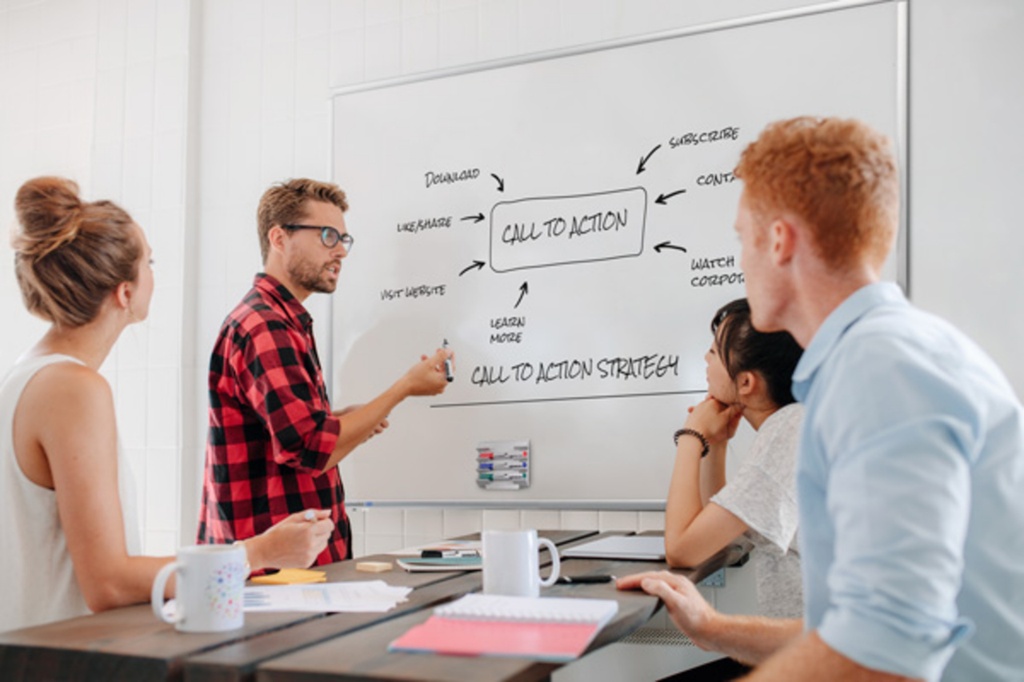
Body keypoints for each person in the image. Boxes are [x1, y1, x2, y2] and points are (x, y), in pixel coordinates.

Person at [620, 117, 1024, 680]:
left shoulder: (879, 373)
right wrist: (714, 628)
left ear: (779, 241)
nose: (740, 260)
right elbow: (854, 629)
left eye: (742, 238)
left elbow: (887, 650)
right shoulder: (875, 362)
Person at [0, 177, 333, 633]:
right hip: (66, 657)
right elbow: (108, 584)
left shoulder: (27, 374)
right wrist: (262, 551)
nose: (155, 274)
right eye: (149, 262)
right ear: (124, 292)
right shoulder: (73, 388)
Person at [196, 178, 453, 565]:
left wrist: (338, 420)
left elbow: (292, 438)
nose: (340, 252)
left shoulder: (282, 320)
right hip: (274, 578)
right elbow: (314, 449)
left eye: (344, 240)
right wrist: (404, 389)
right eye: (328, 236)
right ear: (280, 238)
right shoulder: (265, 326)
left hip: (289, 574)